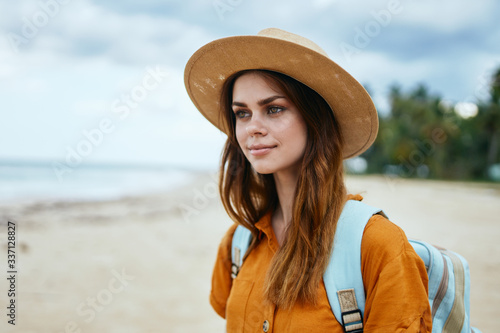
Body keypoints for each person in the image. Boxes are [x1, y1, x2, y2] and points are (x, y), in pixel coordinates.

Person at [184, 28, 432, 332]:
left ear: (315, 119)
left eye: (273, 109)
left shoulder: (378, 245)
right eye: (242, 113)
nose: (252, 128)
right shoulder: (239, 242)